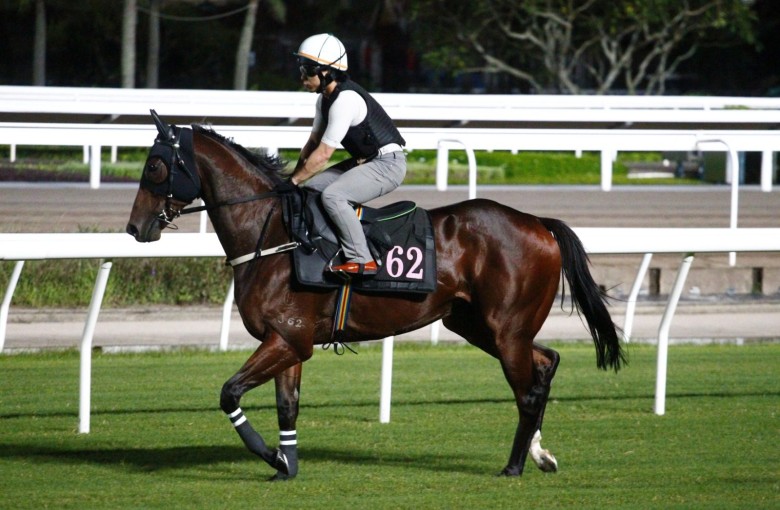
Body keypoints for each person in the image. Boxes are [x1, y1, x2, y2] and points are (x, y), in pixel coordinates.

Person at [289, 33, 407, 276]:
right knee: (310, 189)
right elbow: (312, 144)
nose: (302, 78)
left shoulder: (346, 100)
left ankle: (362, 260)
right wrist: (295, 179)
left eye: (308, 71)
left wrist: (292, 181)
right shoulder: (324, 101)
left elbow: (323, 155)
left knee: (334, 196)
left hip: (388, 165)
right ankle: (331, 243)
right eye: (301, 69)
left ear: (327, 72)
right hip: (366, 161)